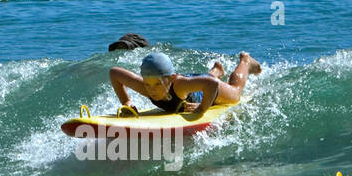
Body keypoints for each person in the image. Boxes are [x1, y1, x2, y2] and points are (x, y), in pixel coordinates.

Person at [110, 51, 261, 115]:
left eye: (157, 84)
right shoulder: (145, 86)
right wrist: (126, 101)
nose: (152, 90)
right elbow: (114, 73)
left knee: (235, 93)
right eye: (148, 84)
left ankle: (246, 61)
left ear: (172, 79)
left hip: (207, 89)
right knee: (200, 80)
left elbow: (212, 85)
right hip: (195, 82)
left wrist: (202, 108)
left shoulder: (179, 86)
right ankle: (217, 70)